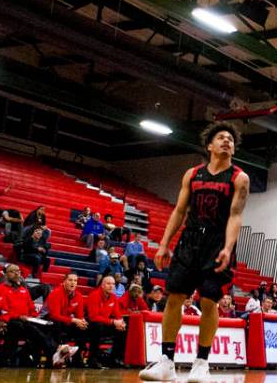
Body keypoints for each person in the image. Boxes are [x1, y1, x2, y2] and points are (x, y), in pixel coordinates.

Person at [139, 122, 250, 383]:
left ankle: (201, 363)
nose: (226, 141)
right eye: (221, 138)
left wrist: (228, 247)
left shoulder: (239, 178)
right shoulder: (192, 174)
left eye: (230, 139)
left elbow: (236, 215)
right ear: (209, 145)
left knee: (209, 301)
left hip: (216, 244)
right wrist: (165, 243)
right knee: (175, 297)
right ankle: (166, 361)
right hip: (189, 241)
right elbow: (179, 211)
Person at [0, 263, 63, 367]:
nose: (16, 273)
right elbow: (4, 311)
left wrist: (35, 317)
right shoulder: (0, 289)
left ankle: (48, 359)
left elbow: (31, 308)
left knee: (49, 325)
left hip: (25, 320)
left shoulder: (24, 290)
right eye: (12, 271)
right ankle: (55, 350)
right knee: (24, 327)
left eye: (18, 271)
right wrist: (19, 316)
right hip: (10, 321)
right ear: (6, 275)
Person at [44, 272, 86, 367]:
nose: (73, 283)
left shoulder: (78, 296)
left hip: (64, 321)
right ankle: (57, 356)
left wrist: (82, 321)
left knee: (83, 327)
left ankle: (77, 358)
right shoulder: (56, 293)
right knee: (57, 323)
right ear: (64, 281)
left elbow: (80, 315)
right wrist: (74, 320)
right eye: (70, 280)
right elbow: (55, 315)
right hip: (48, 320)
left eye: (75, 281)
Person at [86, 274, 127, 368]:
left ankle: (114, 359)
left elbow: (118, 314)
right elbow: (93, 317)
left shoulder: (113, 297)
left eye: (113, 284)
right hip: (90, 325)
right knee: (97, 326)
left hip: (104, 324)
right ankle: (92, 359)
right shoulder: (94, 295)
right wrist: (113, 322)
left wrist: (121, 322)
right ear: (102, 285)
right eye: (108, 283)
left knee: (123, 328)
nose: (111, 286)